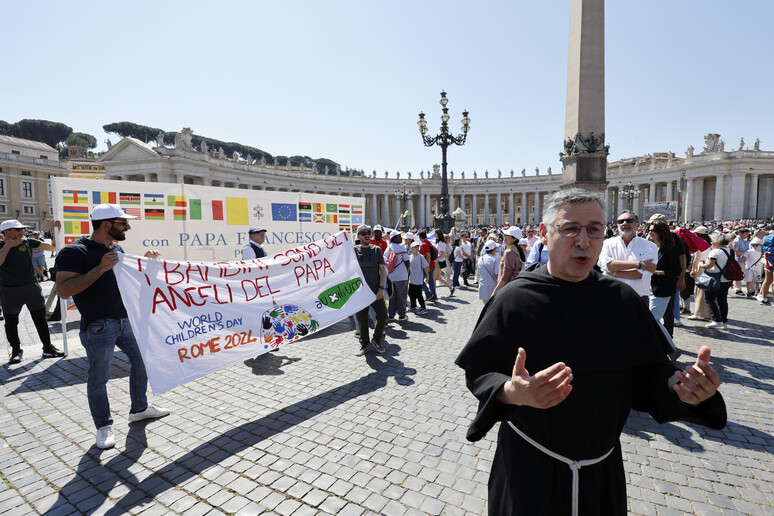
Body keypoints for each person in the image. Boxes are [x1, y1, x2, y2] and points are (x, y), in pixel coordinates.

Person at [455, 189, 726, 516]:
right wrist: (510, 392)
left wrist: (685, 389)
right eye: (570, 229)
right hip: (528, 469)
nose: (583, 240)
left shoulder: (622, 301)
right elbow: (480, 371)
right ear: (544, 233)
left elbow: (651, 375)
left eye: (594, 229)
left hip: (601, 470)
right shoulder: (513, 299)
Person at [55, 205, 169, 449]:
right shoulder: (74, 252)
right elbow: (64, 291)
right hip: (97, 326)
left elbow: (124, 278)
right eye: (123, 223)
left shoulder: (116, 247)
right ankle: (103, 425)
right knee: (99, 378)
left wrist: (144, 263)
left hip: (124, 321)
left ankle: (139, 408)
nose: (128, 226)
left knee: (142, 362)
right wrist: (100, 268)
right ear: (106, 224)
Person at [0, 219, 64, 365]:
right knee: (11, 322)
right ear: (6, 232)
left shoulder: (28, 242)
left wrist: (55, 231)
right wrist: (7, 246)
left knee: (40, 319)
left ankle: (48, 348)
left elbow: (53, 248)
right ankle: (16, 351)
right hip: (9, 289)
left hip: (31, 287)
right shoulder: (0, 245)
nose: (22, 232)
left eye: (21, 229)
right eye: (18, 230)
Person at [353, 225, 387, 355]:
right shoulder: (353, 250)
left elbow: (382, 271)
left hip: (375, 290)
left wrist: (381, 289)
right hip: (360, 292)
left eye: (368, 233)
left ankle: (376, 339)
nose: (367, 235)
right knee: (362, 319)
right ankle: (364, 343)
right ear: (359, 236)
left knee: (383, 316)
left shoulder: (376, 250)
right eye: (363, 233)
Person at [698, 232, 734, 329]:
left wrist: (701, 264)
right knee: (722, 300)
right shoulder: (731, 251)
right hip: (727, 278)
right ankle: (724, 320)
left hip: (716, 278)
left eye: (712, 241)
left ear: (717, 242)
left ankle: (716, 320)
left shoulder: (715, 252)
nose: (711, 242)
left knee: (709, 298)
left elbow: (709, 265)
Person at [386, 230, 409, 322]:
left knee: (392, 296)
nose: (401, 238)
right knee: (402, 296)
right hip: (401, 276)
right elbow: (407, 262)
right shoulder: (402, 248)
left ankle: (391, 314)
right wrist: (406, 272)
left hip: (391, 276)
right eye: (399, 236)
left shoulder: (388, 248)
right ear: (394, 238)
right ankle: (402, 315)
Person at [492, 226, 523, 295]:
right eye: (505, 235)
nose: (504, 236)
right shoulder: (515, 249)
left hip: (506, 288)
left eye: (507, 235)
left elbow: (506, 275)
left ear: (514, 239)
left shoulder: (510, 251)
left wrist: (495, 291)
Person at [408, 241, 429, 315]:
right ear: (411, 248)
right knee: (410, 293)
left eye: (417, 247)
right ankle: (413, 306)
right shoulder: (410, 257)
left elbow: (426, 267)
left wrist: (427, 277)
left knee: (418, 294)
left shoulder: (421, 257)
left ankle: (423, 307)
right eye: (415, 247)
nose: (417, 248)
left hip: (418, 279)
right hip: (412, 279)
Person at [433, 229, 454, 296]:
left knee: (433, 277)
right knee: (439, 278)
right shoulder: (439, 242)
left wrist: (436, 258)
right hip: (439, 261)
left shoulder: (441, 243)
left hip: (438, 262)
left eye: (435, 234)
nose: (434, 235)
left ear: (438, 234)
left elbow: (442, 253)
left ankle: (433, 293)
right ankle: (451, 288)